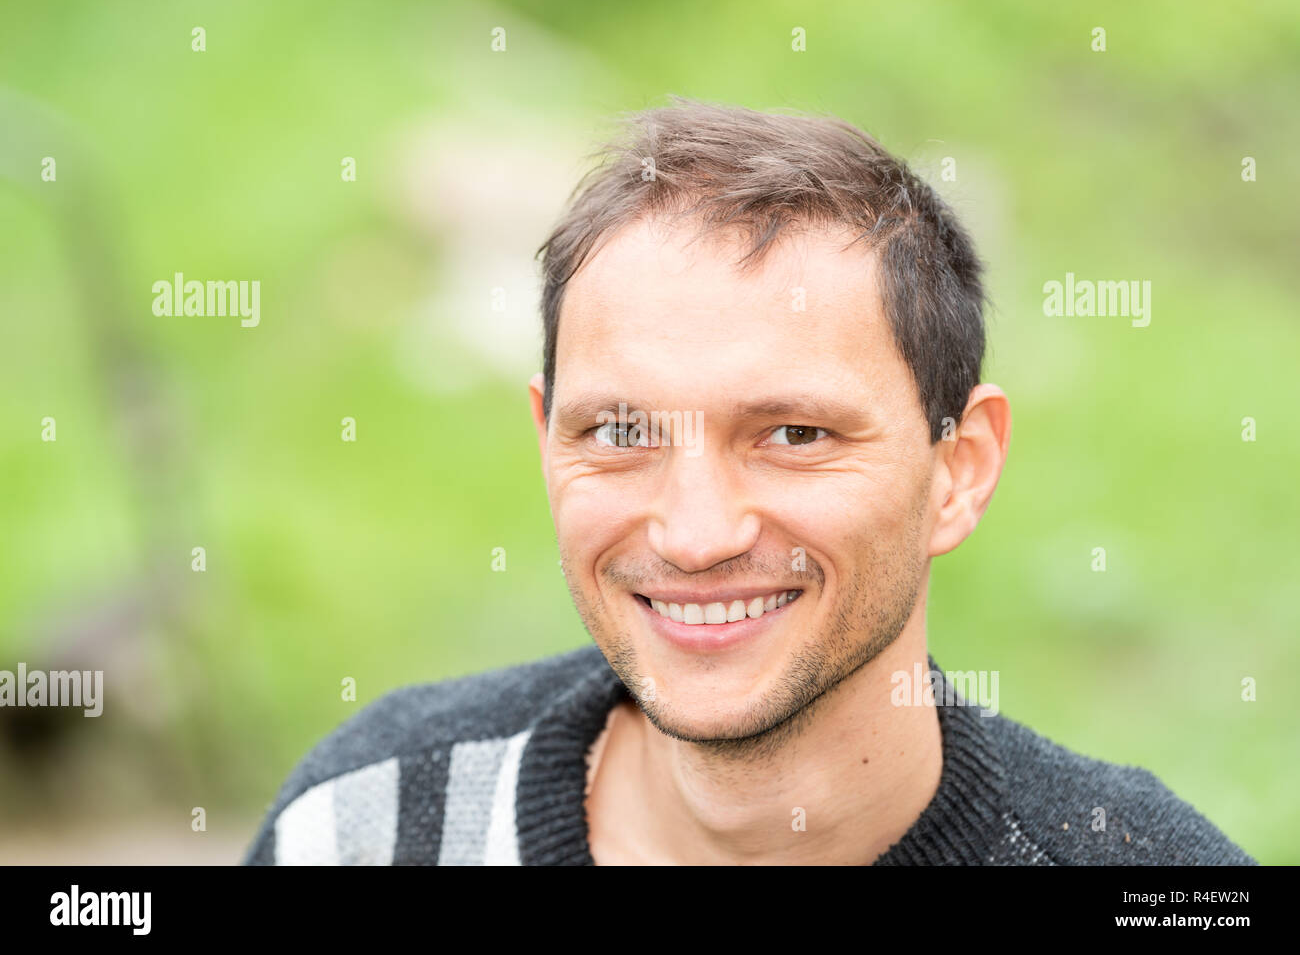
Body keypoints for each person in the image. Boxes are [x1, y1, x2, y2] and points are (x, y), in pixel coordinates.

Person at [243, 97, 1254, 865]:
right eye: (620, 430)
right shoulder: (365, 823)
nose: (694, 534)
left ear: (959, 468)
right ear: (545, 435)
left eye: (793, 433)